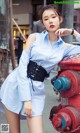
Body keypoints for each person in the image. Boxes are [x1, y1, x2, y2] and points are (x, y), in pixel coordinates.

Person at [0, 4, 80, 133]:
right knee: (13, 131)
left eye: (53, 17)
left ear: (60, 19)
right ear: (43, 23)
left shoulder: (64, 47)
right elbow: (22, 67)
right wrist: (26, 99)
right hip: (15, 85)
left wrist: (73, 32)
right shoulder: (34, 38)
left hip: (37, 90)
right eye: (46, 19)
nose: (50, 21)